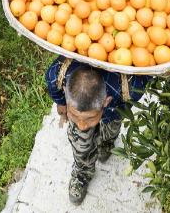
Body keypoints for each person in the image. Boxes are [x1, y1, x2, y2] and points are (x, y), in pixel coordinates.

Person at [44, 56, 151, 205]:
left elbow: (148, 68)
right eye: (75, 115)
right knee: (81, 143)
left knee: (111, 127)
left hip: (115, 107)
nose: (82, 125)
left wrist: (112, 114)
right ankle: (82, 173)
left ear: (105, 101)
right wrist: (61, 104)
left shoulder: (131, 87)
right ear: (65, 90)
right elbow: (54, 90)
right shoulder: (56, 74)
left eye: (89, 119)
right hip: (90, 104)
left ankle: (106, 143)